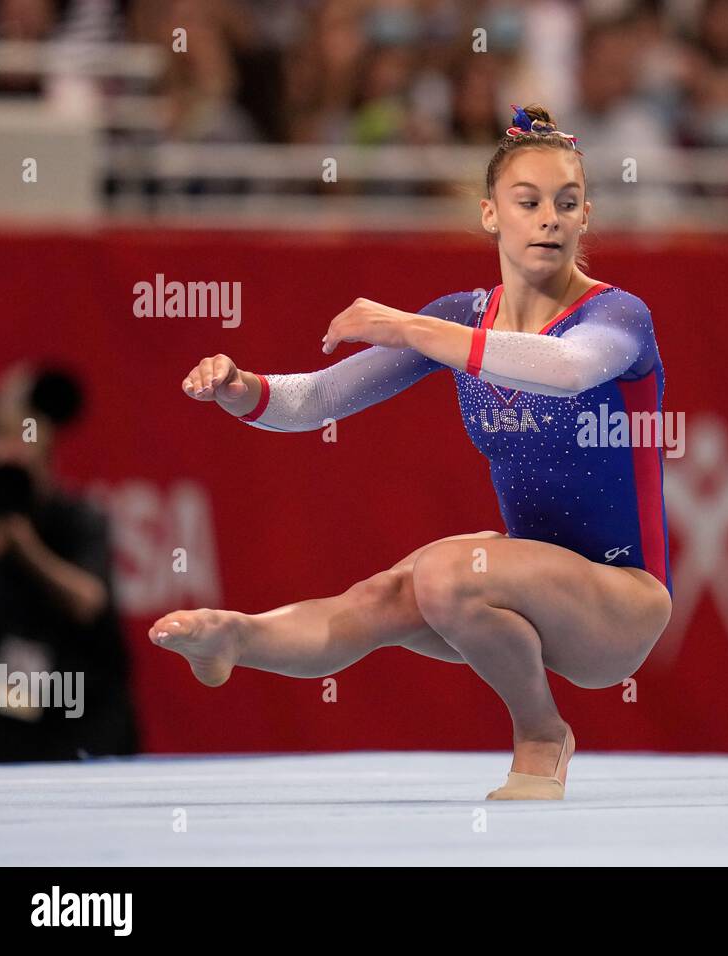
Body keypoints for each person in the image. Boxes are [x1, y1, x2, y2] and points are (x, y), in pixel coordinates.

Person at [151, 103, 673, 800]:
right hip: (520, 591)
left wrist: (410, 327)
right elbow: (314, 402)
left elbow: (567, 367)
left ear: (585, 216)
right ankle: (236, 640)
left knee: (450, 569)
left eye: (568, 203)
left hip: (621, 602)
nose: (550, 217)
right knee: (386, 596)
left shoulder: (617, 317)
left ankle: (542, 735)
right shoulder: (461, 317)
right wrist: (242, 388)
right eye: (529, 201)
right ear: (491, 214)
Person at [0, 368, 140, 762]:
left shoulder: (78, 518)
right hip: (1, 723)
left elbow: (87, 600)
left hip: (86, 716)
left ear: (45, 463)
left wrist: (24, 545)